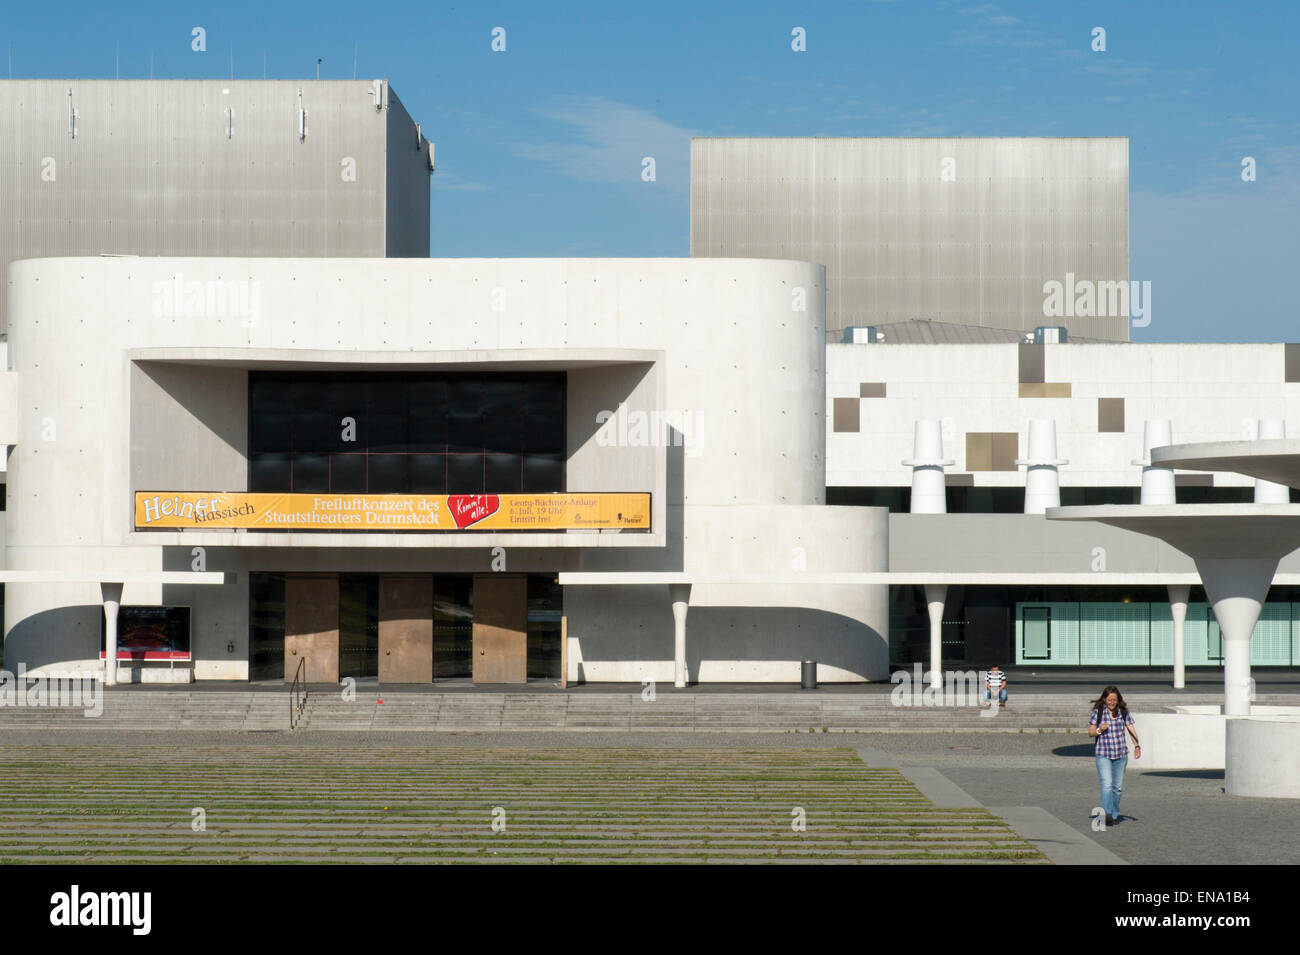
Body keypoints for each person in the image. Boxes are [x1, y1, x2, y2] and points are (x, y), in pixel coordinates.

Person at [1089, 685, 1141, 825]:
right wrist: (1100, 729)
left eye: (1114, 700)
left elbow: (1131, 729)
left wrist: (1137, 745)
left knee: (1117, 788)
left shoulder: (1123, 712)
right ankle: (1107, 813)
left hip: (1120, 754)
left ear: (1118, 700)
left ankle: (1114, 812)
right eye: (1109, 699)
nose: (1112, 702)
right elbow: (1091, 732)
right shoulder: (1098, 712)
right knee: (1106, 784)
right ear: (1104, 699)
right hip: (1103, 754)